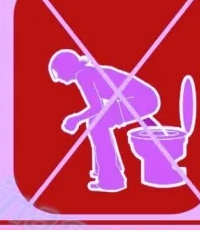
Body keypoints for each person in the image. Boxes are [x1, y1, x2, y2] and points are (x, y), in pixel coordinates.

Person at [48, 49, 161, 191]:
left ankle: (111, 180)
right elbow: (101, 106)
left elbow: (96, 107)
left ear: (66, 68)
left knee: (97, 125)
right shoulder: (87, 72)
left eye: (58, 73)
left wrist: (75, 119)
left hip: (141, 100)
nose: (59, 78)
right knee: (95, 122)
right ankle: (105, 171)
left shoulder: (83, 75)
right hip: (144, 98)